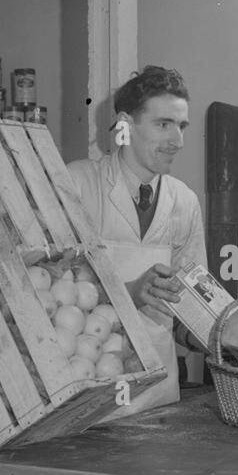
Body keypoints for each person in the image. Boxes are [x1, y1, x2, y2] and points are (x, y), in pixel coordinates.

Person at [67, 65, 206, 327]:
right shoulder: (77, 184)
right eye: (164, 124)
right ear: (125, 124)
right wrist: (129, 292)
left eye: (182, 126)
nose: (178, 141)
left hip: (162, 364)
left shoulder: (185, 201)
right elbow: (50, 287)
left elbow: (192, 309)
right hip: (92, 360)